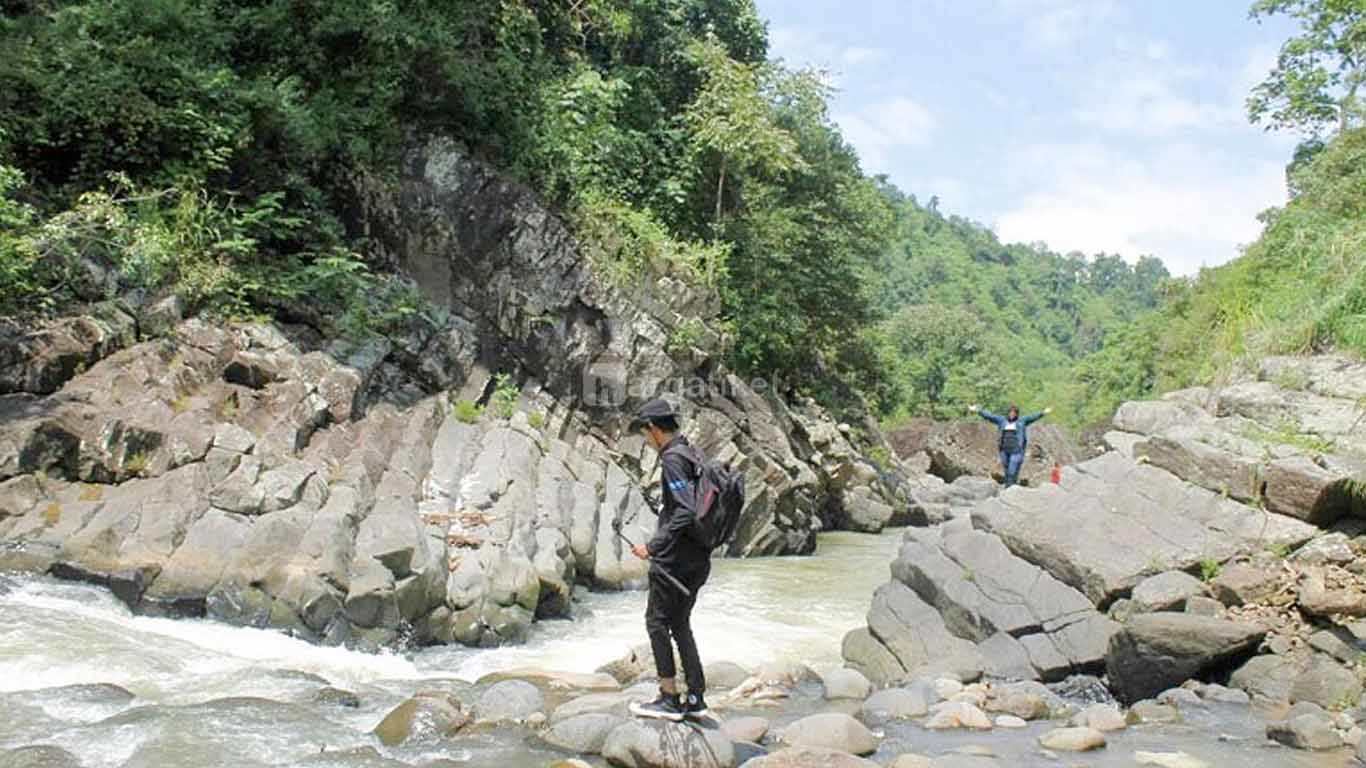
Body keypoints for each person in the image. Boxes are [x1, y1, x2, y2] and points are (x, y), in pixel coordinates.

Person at [626, 398, 712, 722]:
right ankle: (696, 697)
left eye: (645, 433)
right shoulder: (690, 451)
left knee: (657, 622)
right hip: (697, 558)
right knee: (679, 623)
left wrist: (653, 546)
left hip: (676, 561)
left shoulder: (673, 459)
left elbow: (686, 511)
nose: (645, 441)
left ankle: (668, 698)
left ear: (653, 428)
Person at [968, 403, 1053, 487]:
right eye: (1010, 412)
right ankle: (1010, 485)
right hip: (1004, 449)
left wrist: (1043, 412)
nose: (1012, 414)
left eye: (1014, 413)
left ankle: (1009, 489)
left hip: (1016, 450)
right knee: (1007, 470)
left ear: (1017, 414)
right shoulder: (1001, 420)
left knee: (1012, 470)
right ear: (1008, 413)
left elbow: (1033, 416)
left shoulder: (1022, 421)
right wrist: (977, 410)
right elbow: (989, 416)